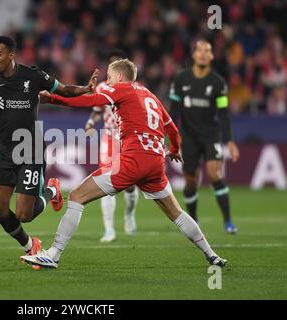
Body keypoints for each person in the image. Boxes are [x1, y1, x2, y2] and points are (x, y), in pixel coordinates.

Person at [21, 59, 227, 269]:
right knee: (176, 212)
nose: (108, 83)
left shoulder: (121, 89)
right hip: (156, 163)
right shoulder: (150, 96)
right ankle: (211, 255)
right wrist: (174, 149)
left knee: (76, 196)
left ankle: (53, 254)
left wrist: (53, 99)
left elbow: (89, 101)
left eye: (109, 78)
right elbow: (172, 129)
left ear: (119, 77)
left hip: (133, 160)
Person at [0, 35, 98, 258]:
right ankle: (29, 245)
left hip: (30, 148)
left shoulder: (32, 75)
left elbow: (62, 90)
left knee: (24, 214)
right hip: (4, 150)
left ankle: (51, 191)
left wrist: (85, 89)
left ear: (11, 55)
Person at [168, 40, 240, 234]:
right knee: (191, 181)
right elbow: (173, 111)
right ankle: (194, 220)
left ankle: (228, 221)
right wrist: (170, 136)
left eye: (207, 51)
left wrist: (230, 140)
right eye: (199, 50)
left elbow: (223, 113)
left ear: (211, 56)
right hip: (188, 137)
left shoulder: (218, 83)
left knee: (215, 174)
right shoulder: (181, 79)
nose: (202, 54)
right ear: (193, 54)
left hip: (211, 136)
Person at [84, 49, 139, 242]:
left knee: (131, 185)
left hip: (129, 139)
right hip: (109, 138)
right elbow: (97, 110)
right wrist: (90, 123)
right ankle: (109, 229)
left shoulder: (137, 88)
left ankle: (129, 214)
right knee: (107, 181)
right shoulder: (102, 88)